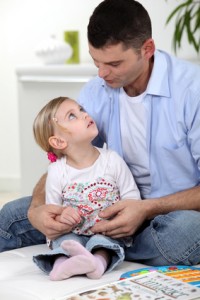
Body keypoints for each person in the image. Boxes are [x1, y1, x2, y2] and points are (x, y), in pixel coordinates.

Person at [0, 0, 200, 266]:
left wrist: (145, 209)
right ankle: (98, 247)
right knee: (12, 214)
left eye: (114, 63)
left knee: (188, 232)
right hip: (100, 207)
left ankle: (92, 247)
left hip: (167, 212)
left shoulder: (191, 90)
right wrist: (38, 209)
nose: (102, 73)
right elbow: (70, 157)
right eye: (97, 62)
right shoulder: (98, 89)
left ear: (147, 49)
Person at [32, 96, 140, 280]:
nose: (84, 114)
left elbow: (131, 196)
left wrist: (121, 218)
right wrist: (63, 215)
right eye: (72, 116)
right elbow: (53, 210)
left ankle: (97, 263)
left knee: (104, 243)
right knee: (66, 242)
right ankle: (62, 265)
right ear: (58, 142)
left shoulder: (111, 160)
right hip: (73, 231)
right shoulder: (57, 171)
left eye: (81, 109)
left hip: (106, 230)